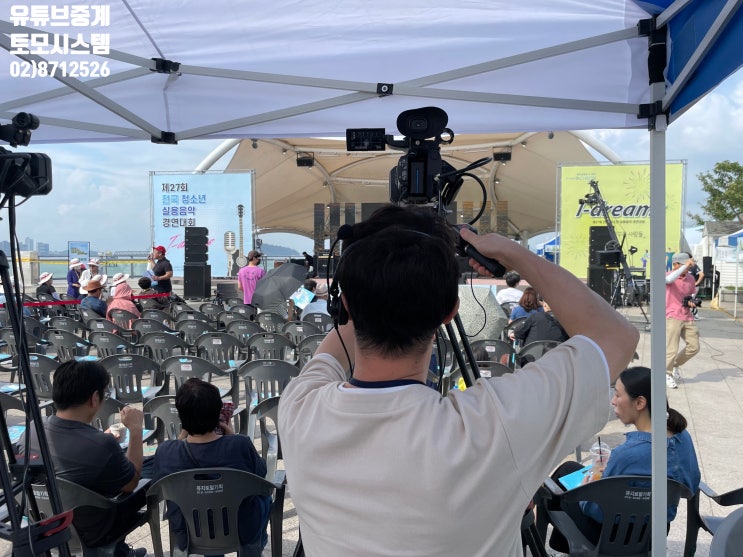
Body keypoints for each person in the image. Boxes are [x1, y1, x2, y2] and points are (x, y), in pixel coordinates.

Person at [277, 204, 638, 556]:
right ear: (449, 312)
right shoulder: (495, 425)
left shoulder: (298, 407)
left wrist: (375, 281)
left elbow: (334, 345)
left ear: (347, 308)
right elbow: (617, 336)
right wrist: (514, 254)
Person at [541, 366, 700, 553]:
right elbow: (691, 485)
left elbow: (593, 509)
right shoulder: (683, 437)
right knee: (568, 468)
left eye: (617, 395)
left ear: (640, 402)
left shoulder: (627, 454)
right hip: (655, 533)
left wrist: (583, 489)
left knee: (551, 489)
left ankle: (564, 548)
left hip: (614, 536)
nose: (613, 401)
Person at [22, 360, 147, 557]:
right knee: (147, 477)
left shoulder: (32, 430)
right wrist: (136, 430)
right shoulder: (103, 445)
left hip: (43, 522)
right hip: (91, 531)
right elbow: (131, 483)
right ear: (95, 398)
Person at [151, 379, 271, 556]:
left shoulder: (166, 452)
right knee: (264, 500)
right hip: (242, 530)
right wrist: (232, 436)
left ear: (181, 416)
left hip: (190, 531)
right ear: (218, 414)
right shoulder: (240, 445)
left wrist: (180, 438)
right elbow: (261, 473)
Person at [665, 252, 699, 389]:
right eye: (685, 265)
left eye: (689, 265)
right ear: (676, 264)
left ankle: (675, 365)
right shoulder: (669, 276)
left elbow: (691, 294)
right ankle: (666, 373)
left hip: (687, 315)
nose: (688, 268)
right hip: (672, 315)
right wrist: (684, 266)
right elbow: (668, 281)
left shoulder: (690, 278)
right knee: (672, 348)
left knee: (694, 347)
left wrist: (692, 302)